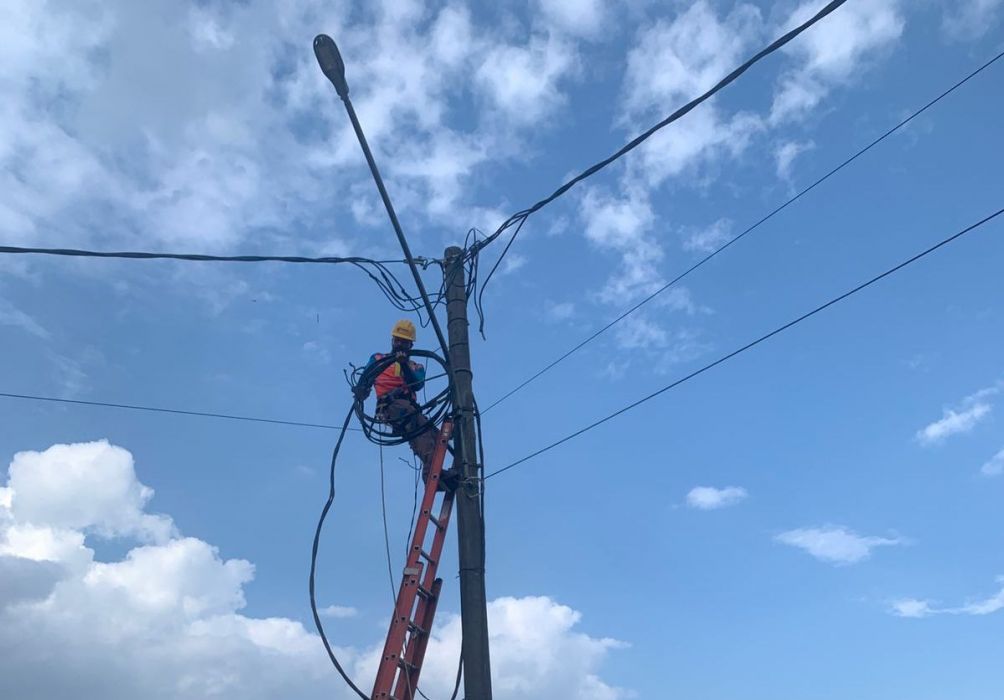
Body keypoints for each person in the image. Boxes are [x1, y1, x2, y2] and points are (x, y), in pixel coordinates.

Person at [358, 319, 440, 478]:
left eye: (404, 342)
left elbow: (417, 385)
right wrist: (362, 391)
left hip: (408, 407)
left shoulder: (416, 367)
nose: (400, 345)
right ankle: (431, 473)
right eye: (397, 340)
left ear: (410, 346)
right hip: (390, 406)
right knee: (418, 425)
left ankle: (435, 473)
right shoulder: (378, 359)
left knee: (434, 436)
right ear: (392, 340)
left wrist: (403, 364)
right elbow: (365, 380)